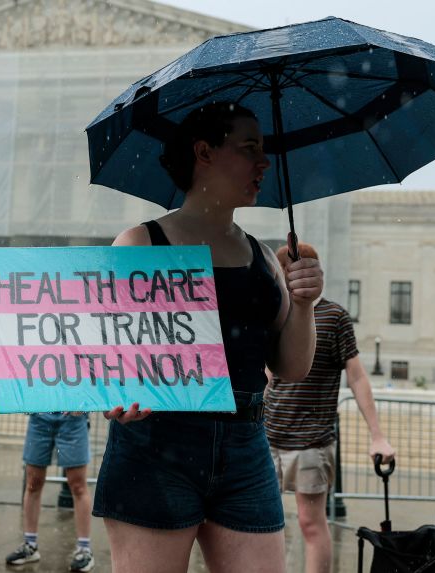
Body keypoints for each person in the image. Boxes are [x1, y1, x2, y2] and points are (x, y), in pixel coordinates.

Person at [91, 102, 324, 573]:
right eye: (249, 148)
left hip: (246, 445)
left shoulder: (261, 256)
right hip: (156, 444)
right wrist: (113, 394)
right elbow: (106, 355)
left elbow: (291, 366)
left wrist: (303, 303)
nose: (264, 163)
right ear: (204, 152)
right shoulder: (140, 243)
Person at [265, 242, 396, 573]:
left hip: (312, 442)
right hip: (267, 438)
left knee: (311, 523)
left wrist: (377, 436)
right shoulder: (273, 314)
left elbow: (358, 378)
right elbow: (265, 376)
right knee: (264, 525)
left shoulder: (334, 316)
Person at [5, 411, 95, 572]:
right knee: (33, 483)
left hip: (72, 416)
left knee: (78, 486)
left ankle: (84, 548)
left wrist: (83, 404)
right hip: (41, 415)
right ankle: (30, 544)